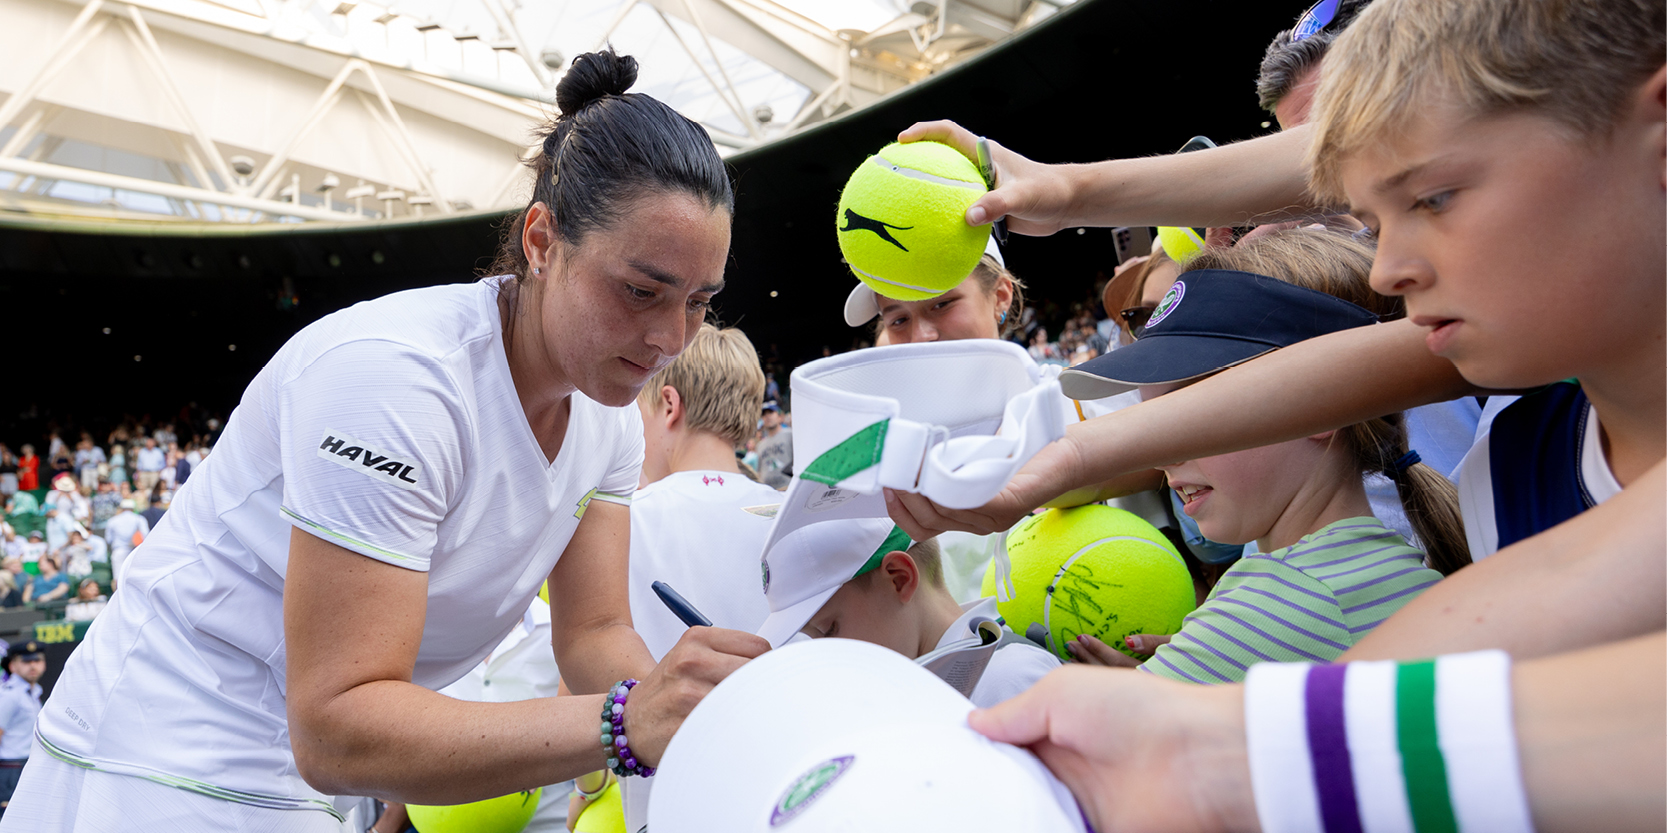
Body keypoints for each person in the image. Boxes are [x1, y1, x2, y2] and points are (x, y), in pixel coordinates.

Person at [1, 48, 768, 833]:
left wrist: (686, 715)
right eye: (641, 291)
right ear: (541, 240)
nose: (669, 335)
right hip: (152, 762)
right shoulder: (394, 382)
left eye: (699, 301)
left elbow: (595, 633)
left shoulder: (607, 420)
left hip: (299, 785)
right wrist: (625, 723)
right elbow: (337, 726)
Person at [884, 0, 1663, 664]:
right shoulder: (1511, 457)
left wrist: (1238, 718)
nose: (1386, 268)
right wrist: (1067, 192)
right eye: (1366, 216)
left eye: (1433, 197)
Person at [1061, 235, 1458, 679]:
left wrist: (968, 628)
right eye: (1155, 418)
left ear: (1318, 408)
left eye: (1190, 411)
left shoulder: (1281, 602)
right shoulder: (1339, 575)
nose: (1162, 450)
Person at [607, 322, 780, 831]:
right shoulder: (799, 517)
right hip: (787, 793)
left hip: (664, 804)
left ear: (668, 405)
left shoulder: (623, 520)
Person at [759, 515, 1059, 708]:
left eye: (829, 630)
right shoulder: (918, 686)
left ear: (899, 578)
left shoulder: (1007, 681)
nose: (826, 653)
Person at [0, 641, 45, 818]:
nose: (33, 665)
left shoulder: (34, 692)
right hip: (10, 769)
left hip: (27, 765)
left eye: (37, 660)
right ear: (12, 665)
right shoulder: (8, 695)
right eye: (26, 661)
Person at [102, 498, 147, 585]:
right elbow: (145, 535)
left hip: (118, 550)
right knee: (136, 577)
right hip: (135, 551)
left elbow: (108, 539)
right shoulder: (139, 519)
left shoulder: (113, 520)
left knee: (118, 579)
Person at [754, 401, 792, 489]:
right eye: (764, 415)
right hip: (768, 491)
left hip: (787, 488)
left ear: (779, 416)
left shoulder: (790, 435)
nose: (767, 417)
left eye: (771, 412)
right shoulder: (760, 445)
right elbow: (760, 470)